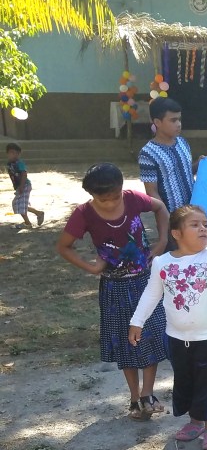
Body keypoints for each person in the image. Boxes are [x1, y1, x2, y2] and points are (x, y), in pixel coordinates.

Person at [56, 163, 170, 420]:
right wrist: (92, 268)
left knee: (151, 334)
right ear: (91, 195)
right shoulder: (83, 214)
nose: (109, 203)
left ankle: (148, 395)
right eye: (102, 199)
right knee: (124, 340)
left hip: (145, 282)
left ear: (121, 188)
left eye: (114, 197)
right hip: (114, 288)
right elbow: (64, 246)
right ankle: (134, 398)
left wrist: (162, 240)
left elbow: (160, 208)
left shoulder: (133, 199)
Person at [128, 205, 207, 450]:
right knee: (185, 381)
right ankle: (195, 422)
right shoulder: (162, 262)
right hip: (176, 337)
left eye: (205, 224)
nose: (203, 228)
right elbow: (151, 294)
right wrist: (137, 321)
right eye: (195, 224)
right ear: (176, 233)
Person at [138, 97, 194, 216]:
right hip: (172, 216)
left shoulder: (183, 142)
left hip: (193, 212)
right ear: (157, 122)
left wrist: (200, 165)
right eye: (173, 120)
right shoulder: (148, 153)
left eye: (179, 119)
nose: (178, 124)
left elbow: (184, 172)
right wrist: (165, 217)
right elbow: (151, 191)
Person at [6, 143, 44, 228]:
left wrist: (22, 186)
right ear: (7, 153)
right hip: (20, 186)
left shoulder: (19, 163)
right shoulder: (10, 163)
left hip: (25, 186)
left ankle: (27, 223)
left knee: (19, 204)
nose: (14, 155)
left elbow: (24, 174)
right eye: (12, 153)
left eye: (17, 153)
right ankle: (38, 213)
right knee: (19, 204)